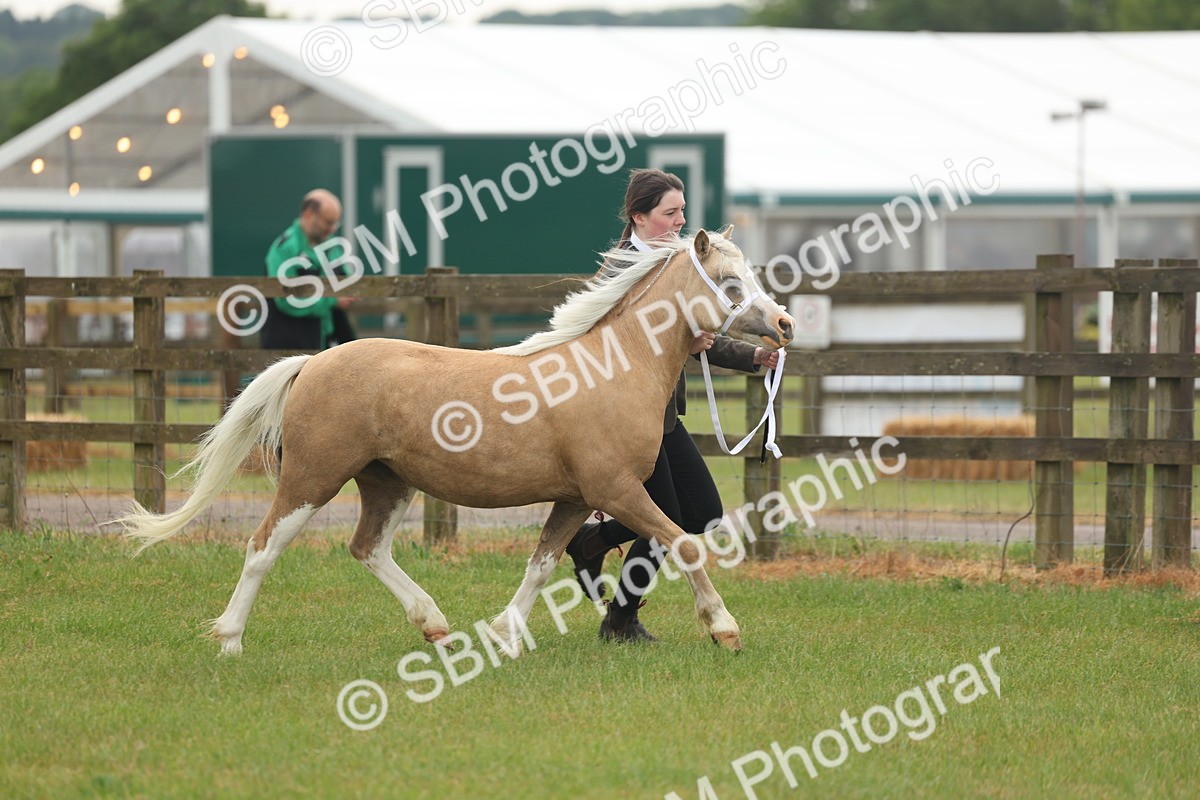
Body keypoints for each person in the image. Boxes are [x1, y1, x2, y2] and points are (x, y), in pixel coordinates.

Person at [564, 168, 780, 642]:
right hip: (621, 418)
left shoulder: (680, 263)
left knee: (702, 512)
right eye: (670, 213)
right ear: (639, 217)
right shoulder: (618, 271)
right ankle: (621, 621)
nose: (680, 221)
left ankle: (593, 542)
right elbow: (586, 347)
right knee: (670, 519)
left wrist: (753, 356)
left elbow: (699, 333)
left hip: (660, 415)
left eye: (682, 210)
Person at [261, 188, 356, 350]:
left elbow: (344, 274)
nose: (332, 228)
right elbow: (286, 300)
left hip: (326, 337)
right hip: (290, 343)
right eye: (328, 222)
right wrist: (332, 300)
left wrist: (352, 287)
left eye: (335, 223)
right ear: (308, 215)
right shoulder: (284, 249)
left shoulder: (332, 244)